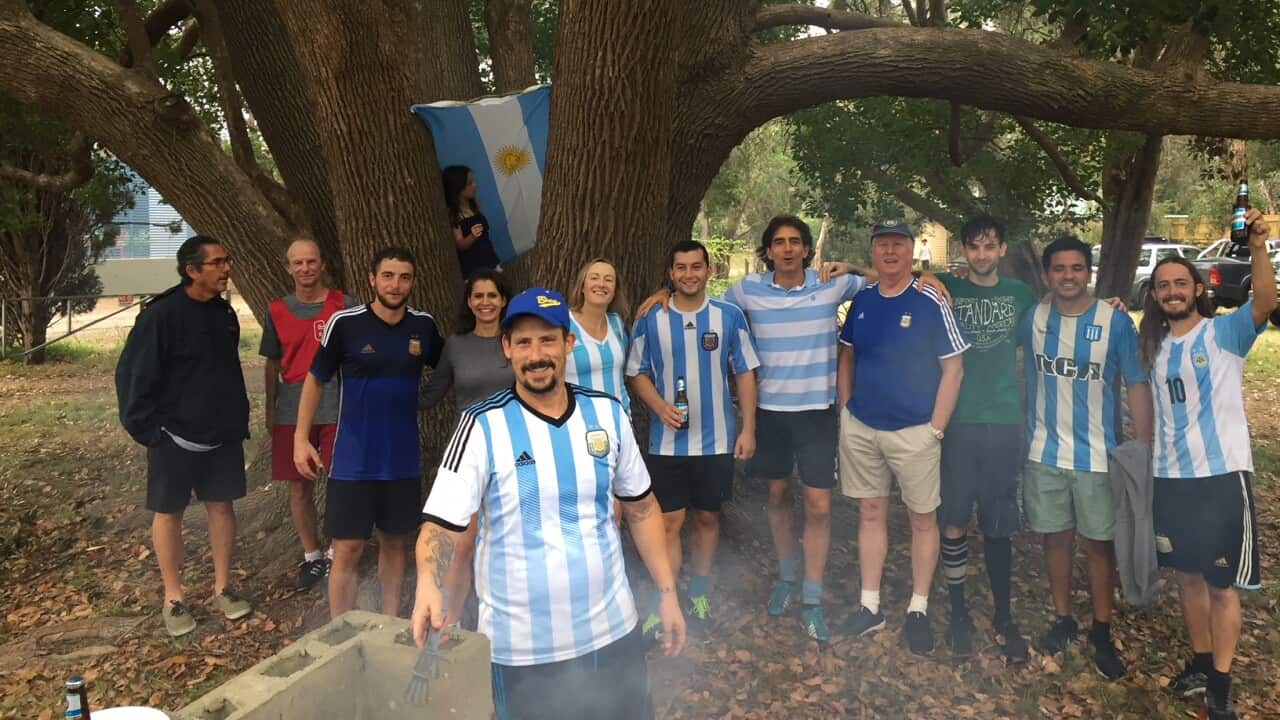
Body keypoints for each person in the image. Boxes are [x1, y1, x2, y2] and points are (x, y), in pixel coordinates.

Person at [412, 287, 686, 720]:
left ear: (568, 344)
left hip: (612, 634)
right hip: (521, 651)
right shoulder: (480, 425)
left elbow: (642, 508)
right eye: (523, 342)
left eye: (547, 340)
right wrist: (428, 584)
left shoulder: (609, 413)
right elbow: (441, 525)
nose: (536, 354)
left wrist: (667, 593)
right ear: (506, 348)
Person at [1139, 209, 1274, 720]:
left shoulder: (1224, 335)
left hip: (1220, 479)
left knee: (1220, 585)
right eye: (1163, 285)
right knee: (1188, 578)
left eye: (1181, 283)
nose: (1172, 291)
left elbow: (1266, 302)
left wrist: (1257, 247)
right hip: (1171, 478)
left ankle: (1220, 682)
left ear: (1197, 289)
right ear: (1155, 295)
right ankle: (1199, 663)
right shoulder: (1153, 347)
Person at [1020, 235, 1152, 680]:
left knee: (1100, 545)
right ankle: (1063, 619)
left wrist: (1143, 447)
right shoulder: (1033, 318)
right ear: (1046, 275)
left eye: (1077, 268)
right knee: (1056, 539)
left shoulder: (1115, 322)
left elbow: (1136, 383)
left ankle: (1101, 629)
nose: (1068, 276)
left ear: (1088, 272)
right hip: (1044, 452)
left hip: (1099, 455)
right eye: (1059, 269)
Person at [836, 221, 968, 656]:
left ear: (912, 250)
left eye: (898, 244)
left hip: (916, 431)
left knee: (922, 520)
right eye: (882, 245)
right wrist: (845, 408)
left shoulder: (931, 298)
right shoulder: (862, 301)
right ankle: (870, 606)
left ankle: (918, 608)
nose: (890, 252)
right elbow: (847, 355)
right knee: (870, 512)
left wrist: (936, 429)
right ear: (873, 251)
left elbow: (954, 368)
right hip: (863, 427)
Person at [294, 247, 443, 619]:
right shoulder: (345, 324)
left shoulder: (423, 326)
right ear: (372, 279)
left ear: (413, 282)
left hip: (402, 460)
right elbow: (315, 380)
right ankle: (339, 629)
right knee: (347, 549)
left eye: (404, 277)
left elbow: (454, 367)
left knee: (395, 544)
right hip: (353, 460)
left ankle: (389, 623)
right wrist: (300, 439)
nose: (396, 285)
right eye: (388, 276)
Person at [115, 235, 252, 637]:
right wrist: (150, 431)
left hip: (221, 435)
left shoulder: (224, 313)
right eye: (217, 263)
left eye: (227, 260)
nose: (227, 268)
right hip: (173, 437)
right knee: (168, 513)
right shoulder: (160, 316)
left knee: (221, 507)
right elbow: (133, 375)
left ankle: (223, 588)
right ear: (192, 270)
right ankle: (173, 598)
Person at [626, 239, 761, 634]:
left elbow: (745, 372)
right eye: (681, 267)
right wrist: (659, 407)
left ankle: (698, 594)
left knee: (707, 517)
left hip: (717, 440)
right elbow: (636, 372)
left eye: (696, 266)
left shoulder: (729, 315)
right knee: (667, 522)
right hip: (667, 442)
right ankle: (664, 599)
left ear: (708, 270)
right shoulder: (651, 317)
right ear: (671, 273)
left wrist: (748, 428)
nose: (689, 274)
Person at [934, 215, 1037, 660]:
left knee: (998, 523)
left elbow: (1062, 312)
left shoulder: (1020, 294)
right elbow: (896, 276)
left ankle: (1003, 615)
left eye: (989, 246)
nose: (981, 254)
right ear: (964, 250)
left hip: (1004, 422)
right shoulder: (947, 288)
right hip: (958, 422)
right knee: (954, 519)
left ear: (1001, 249)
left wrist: (1108, 304)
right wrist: (850, 269)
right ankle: (958, 611)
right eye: (974, 246)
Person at [259, 238, 358, 590]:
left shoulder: (344, 305)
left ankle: (336, 554)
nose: (305, 268)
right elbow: (272, 363)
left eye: (311, 261)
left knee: (341, 481)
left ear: (322, 264)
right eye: (298, 263)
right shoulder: (276, 310)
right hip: (291, 410)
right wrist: (270, 408)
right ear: (288, 268)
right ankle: (312, 556)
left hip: (337, 406)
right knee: (299, 487)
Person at [420, 268, 515, 626]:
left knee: (510, 542)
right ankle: (451, 622)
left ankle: (508, 620)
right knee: (461, 545)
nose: (485, 302)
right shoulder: (455, 345)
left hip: (516, 450)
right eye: (478, 296)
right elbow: (430, 396)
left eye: (492, 295)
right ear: (469, 302)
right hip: (469, 454)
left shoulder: (517, 340)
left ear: (503, 300)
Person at [566, 258, 632, 414]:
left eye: (608, 280)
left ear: (614, 290)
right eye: (594, 278)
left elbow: (620, 377)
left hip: (619, 419)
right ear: (582, 286)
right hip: (579, 420)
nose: (601, 284)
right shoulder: (563, 325)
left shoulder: (617, 324)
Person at [443, 164, 500, 277]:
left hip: (491, 263)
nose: (475, 185)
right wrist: (472, 236)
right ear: (458, 188)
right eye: (469, 183)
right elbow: (460, 244)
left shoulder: (473, 207)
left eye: (473, 181)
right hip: (475, 271)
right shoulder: (455, 215)